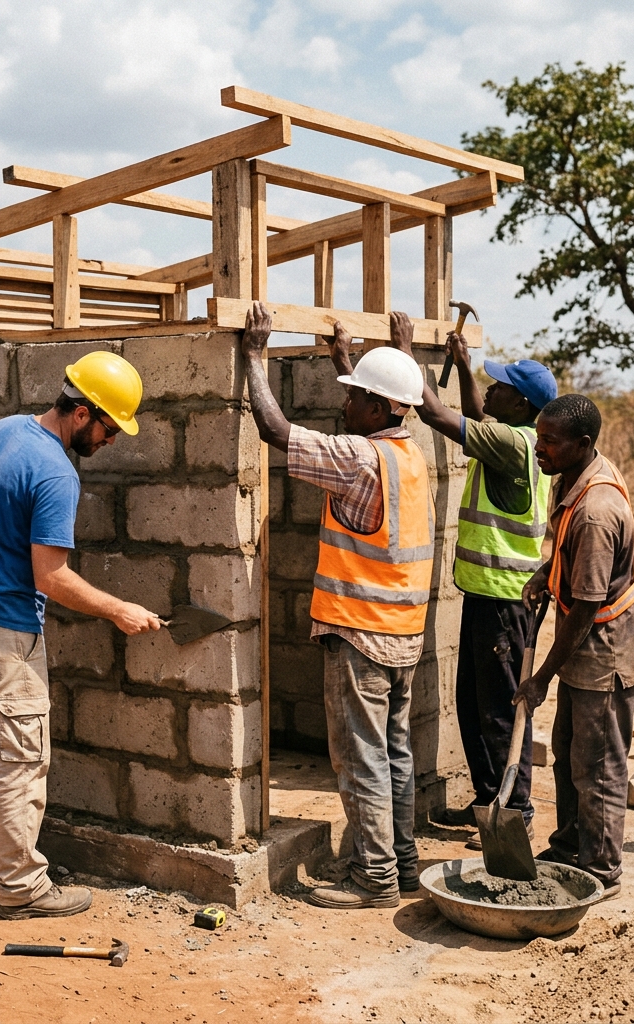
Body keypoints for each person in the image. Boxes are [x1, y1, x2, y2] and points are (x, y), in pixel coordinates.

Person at [0, 350, 162, 920]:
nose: (111, 441)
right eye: (110, 428)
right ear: (84, 413)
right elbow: (51, 576)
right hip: (1, 636)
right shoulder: (57, 471)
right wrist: (118, 611)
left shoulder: (1, 430)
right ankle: (22, 889)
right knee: (18, 760)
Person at [241, 300, 434, 909]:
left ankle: (372, 877)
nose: (341, 403)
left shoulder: (359, 459)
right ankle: (399, 864)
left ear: (378, 407)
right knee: (394, 754)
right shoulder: (410, 453)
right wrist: (349, 361)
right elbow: (374, 413)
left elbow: (277, 432)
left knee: (360, 759)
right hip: (404, 636)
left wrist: (252, 356)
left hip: (361, 635)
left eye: (353, 396)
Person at [393, 319, 557, 847]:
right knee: (473, 701)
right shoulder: (516, 437)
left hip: (505, 601)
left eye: (501, 386)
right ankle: (491, 801)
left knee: (501, 708)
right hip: (490, 596)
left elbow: (439, 415)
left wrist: (402, 355)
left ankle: (515, 811)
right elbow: (477, 416)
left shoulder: (513, 445)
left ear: (521, 405)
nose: (492, 388)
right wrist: (463, 367)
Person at [514, 394, 634, 899]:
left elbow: (588, 607)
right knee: (571, 753)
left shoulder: (597, 510)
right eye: (539, 435)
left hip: (606, 652)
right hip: (586, 645)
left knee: (598, 766)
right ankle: (572, 846)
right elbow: (569, 560)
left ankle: (600, 869)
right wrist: (545, 576)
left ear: (584, 443)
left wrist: (541, 677)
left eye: (550, 441)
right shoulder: (570, 477)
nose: (539, 448)